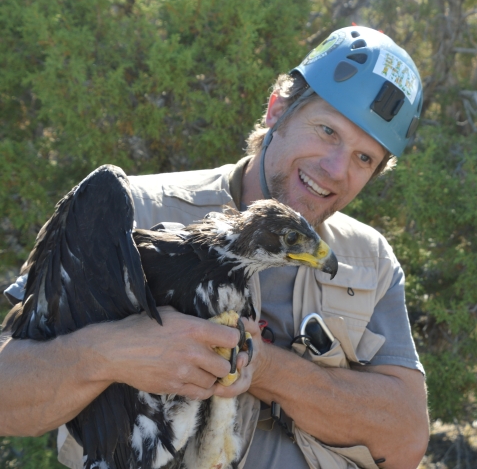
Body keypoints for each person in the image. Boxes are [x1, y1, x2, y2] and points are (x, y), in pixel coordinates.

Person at [0, 26, 429, 469]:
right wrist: (110, 353)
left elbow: (404, 441)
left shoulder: (368, 258)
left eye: (364, 158)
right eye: (327, 131)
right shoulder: (130, 210)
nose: (336, 169)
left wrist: (261, 368)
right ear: (277, 110)